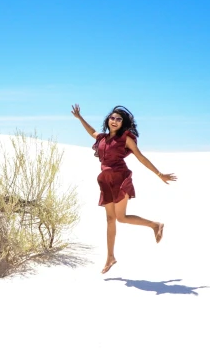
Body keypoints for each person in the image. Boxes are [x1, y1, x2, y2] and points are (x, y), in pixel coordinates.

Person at [71, 104, 177, 274]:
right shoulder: (102, 138)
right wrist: (80, 118)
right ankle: (110, 257)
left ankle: (155, 225)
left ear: (123, 123)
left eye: (118, 119)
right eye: (112, 118)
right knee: (111, 220)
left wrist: (160, 174)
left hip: (120, 178)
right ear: (108, 120)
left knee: (121, 217)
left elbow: (141, 157)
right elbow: (91, 132)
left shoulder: (125, 139)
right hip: (105, 180)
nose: (114, 121)